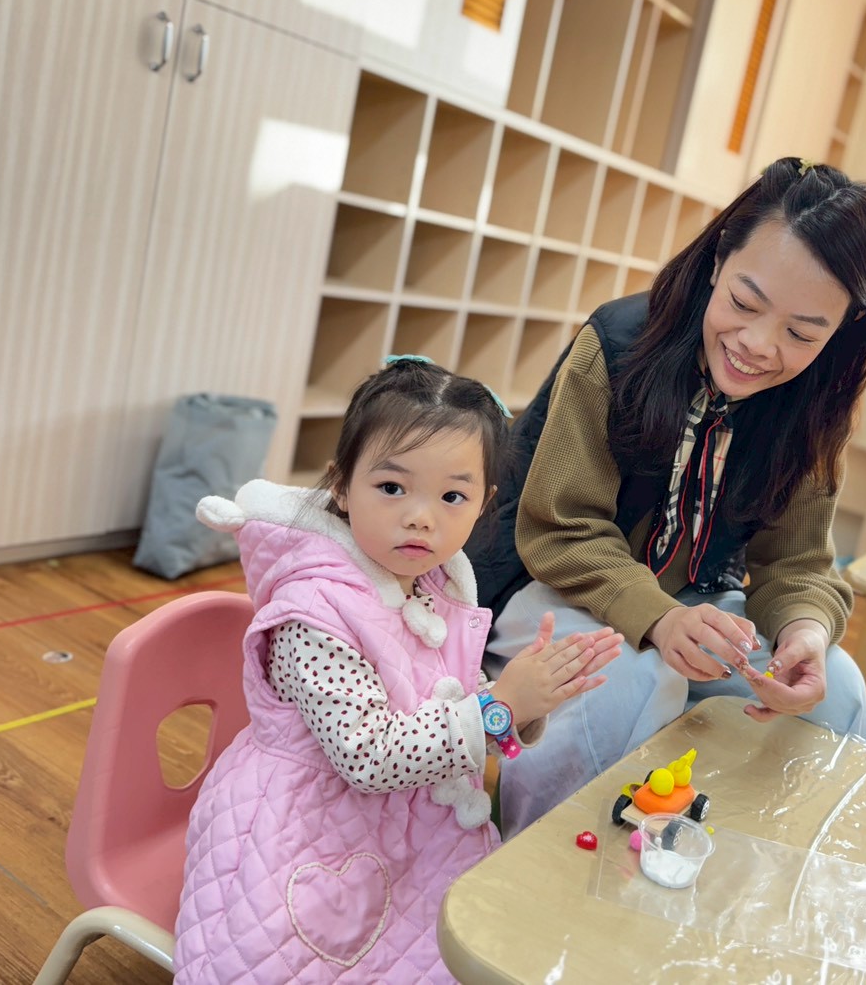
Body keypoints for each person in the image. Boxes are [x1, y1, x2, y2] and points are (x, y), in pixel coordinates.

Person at [469, 156, 866, 837]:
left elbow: (798, 565)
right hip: (550, 587)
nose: (757, 345)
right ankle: (530, 872)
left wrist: (805, 634)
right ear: (718, 260)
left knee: (839, 691)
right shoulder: (617, 346)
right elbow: (559, 529)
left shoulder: (820, 402)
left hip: (693, 603)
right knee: (629, 679)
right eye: (744, 304)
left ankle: (741, 873)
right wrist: (660, 620)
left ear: (845, 326)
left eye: (801, 333)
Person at [172, 359, 622, 982]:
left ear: (483, 505)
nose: (420, 516)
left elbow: (442, 706)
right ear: (341, 485)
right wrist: (499, 707)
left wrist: (525, 699)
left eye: (452, 496)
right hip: (297, 837)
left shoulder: (432, 586)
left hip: (397, 830)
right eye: (391, 487)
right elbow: (369, 754)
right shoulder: (314, 612)